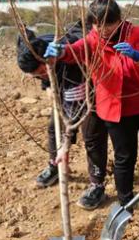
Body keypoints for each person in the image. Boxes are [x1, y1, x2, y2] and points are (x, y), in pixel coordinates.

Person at [44, 0, 139, 225]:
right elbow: (75, 52)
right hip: (116, 110)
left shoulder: (134, 33)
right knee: (124, 158)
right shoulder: (92, 40)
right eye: (97, 24)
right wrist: (59, 52)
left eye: (109, 24)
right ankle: (126, 204)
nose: (103, 30)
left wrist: (137, 56)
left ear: (119, 20)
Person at [17, 21, 109, 210]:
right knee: (53, 128)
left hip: (89, 88)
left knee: (92, 135)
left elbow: (74, 113)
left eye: (42, 72)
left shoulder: (72, 55)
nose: (40, 75)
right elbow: (25, 43)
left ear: (49, 59)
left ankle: (97, 185)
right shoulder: (35, 48)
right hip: (63, 84)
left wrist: (65, 145)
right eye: (36, 75)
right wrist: (48, 84)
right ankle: (56, 166)